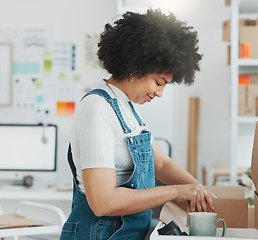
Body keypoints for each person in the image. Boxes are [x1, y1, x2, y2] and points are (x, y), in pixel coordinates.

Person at [60, 9, 215, 240]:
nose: (160, 93)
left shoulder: (128, 110)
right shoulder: (97, 108)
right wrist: (175, 192)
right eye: (158, 82)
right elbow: (103, 202)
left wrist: (201, 193)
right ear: (135, 66)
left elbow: (161, 162)